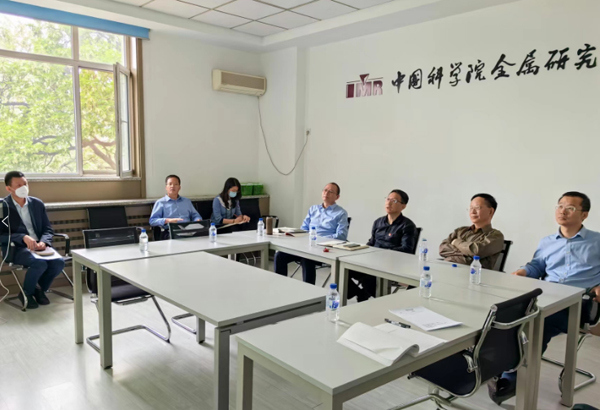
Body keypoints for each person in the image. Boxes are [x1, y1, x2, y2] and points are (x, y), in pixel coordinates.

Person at [488, 191, 600, 405]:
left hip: (580, 303)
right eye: (560, 206)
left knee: (538, 323)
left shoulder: (597, 241)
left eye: (570, 208)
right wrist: (523, 271)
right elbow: (536, 266)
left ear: (584, 215)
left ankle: (511, 378)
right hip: (547, 297)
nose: (562, 211)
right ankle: (495, 367)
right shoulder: (547, 241)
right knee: (505, 314)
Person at [0, 171, 65, 309]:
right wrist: (22, 237)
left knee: (58, 263)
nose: (23, 187)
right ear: (9, 188)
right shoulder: (2, 206)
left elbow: (47, 229)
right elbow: (2, 235)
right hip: (16, 248)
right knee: (39, 263)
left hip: (39, 247)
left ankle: (38, 290)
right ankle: (27, 294)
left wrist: (44, 242)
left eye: (25, 184)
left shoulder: (36, 204)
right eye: (18, 185)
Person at [348, 190, 418, 302]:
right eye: (388, 199)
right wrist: (360, 250)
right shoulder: (378, 222)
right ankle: (360, 293)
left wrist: (381, 253)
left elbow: (406, 249)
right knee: (343, 270)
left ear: (403, 206)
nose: (389, 203)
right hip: (372, 262)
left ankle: (373, 297)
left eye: (394, 201)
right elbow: (371, 242)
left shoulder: (407, 225)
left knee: (369, 279)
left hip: (391, 265)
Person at [274, 182, 349, 285]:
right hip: (306, 246)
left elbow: (341, 236)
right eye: (325, 190)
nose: (326, 193)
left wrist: (319, 240)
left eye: (331, 191)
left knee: (307, 258)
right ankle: (279, 286)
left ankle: (309, 291)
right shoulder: (313, 209)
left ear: (337, 197)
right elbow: (303, 229)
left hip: (323, 249)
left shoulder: (341, 213)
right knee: (280, 255)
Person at [439, 193, 504, 270]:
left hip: (473, 274)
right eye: (470, 208)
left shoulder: (496, 236)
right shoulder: (460, 231)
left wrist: (456, 242)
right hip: (446, 268)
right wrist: (467, 254)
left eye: (477, 208)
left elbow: (476, 252)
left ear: (490, 211)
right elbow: (442, 249)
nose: (472, 212)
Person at [149, 175, 201, 239]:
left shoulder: (186, 201)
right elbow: (152, 221)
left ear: (179, 187)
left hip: (189, 230)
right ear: (166, 187)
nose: (172, 186)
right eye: (170, 184)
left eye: (176, 184)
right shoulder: (160, 202)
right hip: (171, 231)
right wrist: (168, 220)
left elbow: (195, 215)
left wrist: (197, 220)